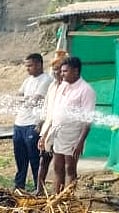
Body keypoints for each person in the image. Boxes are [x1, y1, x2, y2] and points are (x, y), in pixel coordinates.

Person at [39, 56, 95, 195]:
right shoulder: (62, 86)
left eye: (65, 71)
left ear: (76, 71)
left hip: (73, 133)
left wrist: (80, 142)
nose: (61, 74)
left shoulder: (86, 90)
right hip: (58, 132)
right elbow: (54, 112)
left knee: (70, 167)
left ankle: (68, 198)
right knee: (57, 167)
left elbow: (88, 120)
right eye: (61, 71)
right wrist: (45, 133)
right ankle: (56, 196)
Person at [13, 53, 52, 191]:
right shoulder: (27, 80)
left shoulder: (46, 80)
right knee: (20, 158)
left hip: (33, 124)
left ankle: (38, 187)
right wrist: (26, 99)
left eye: (29, 65)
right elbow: (17, 98)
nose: (27, 69)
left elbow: (35, 101)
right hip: (19, 123)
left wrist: (26, 99)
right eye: (26, 66)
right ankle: (19, 186)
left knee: (34, 158)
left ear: (39, 64)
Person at [36, 51, 68, 195]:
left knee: (60, 166)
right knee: (43, 161)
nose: (56, 72)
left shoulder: (70, 87)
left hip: (62, 131)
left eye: (58, 69)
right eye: (54, 69)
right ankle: (39, 190)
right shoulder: (52, 86)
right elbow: (46, 107)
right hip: (48, 129)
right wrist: (41, 124)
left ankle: (59, 194)